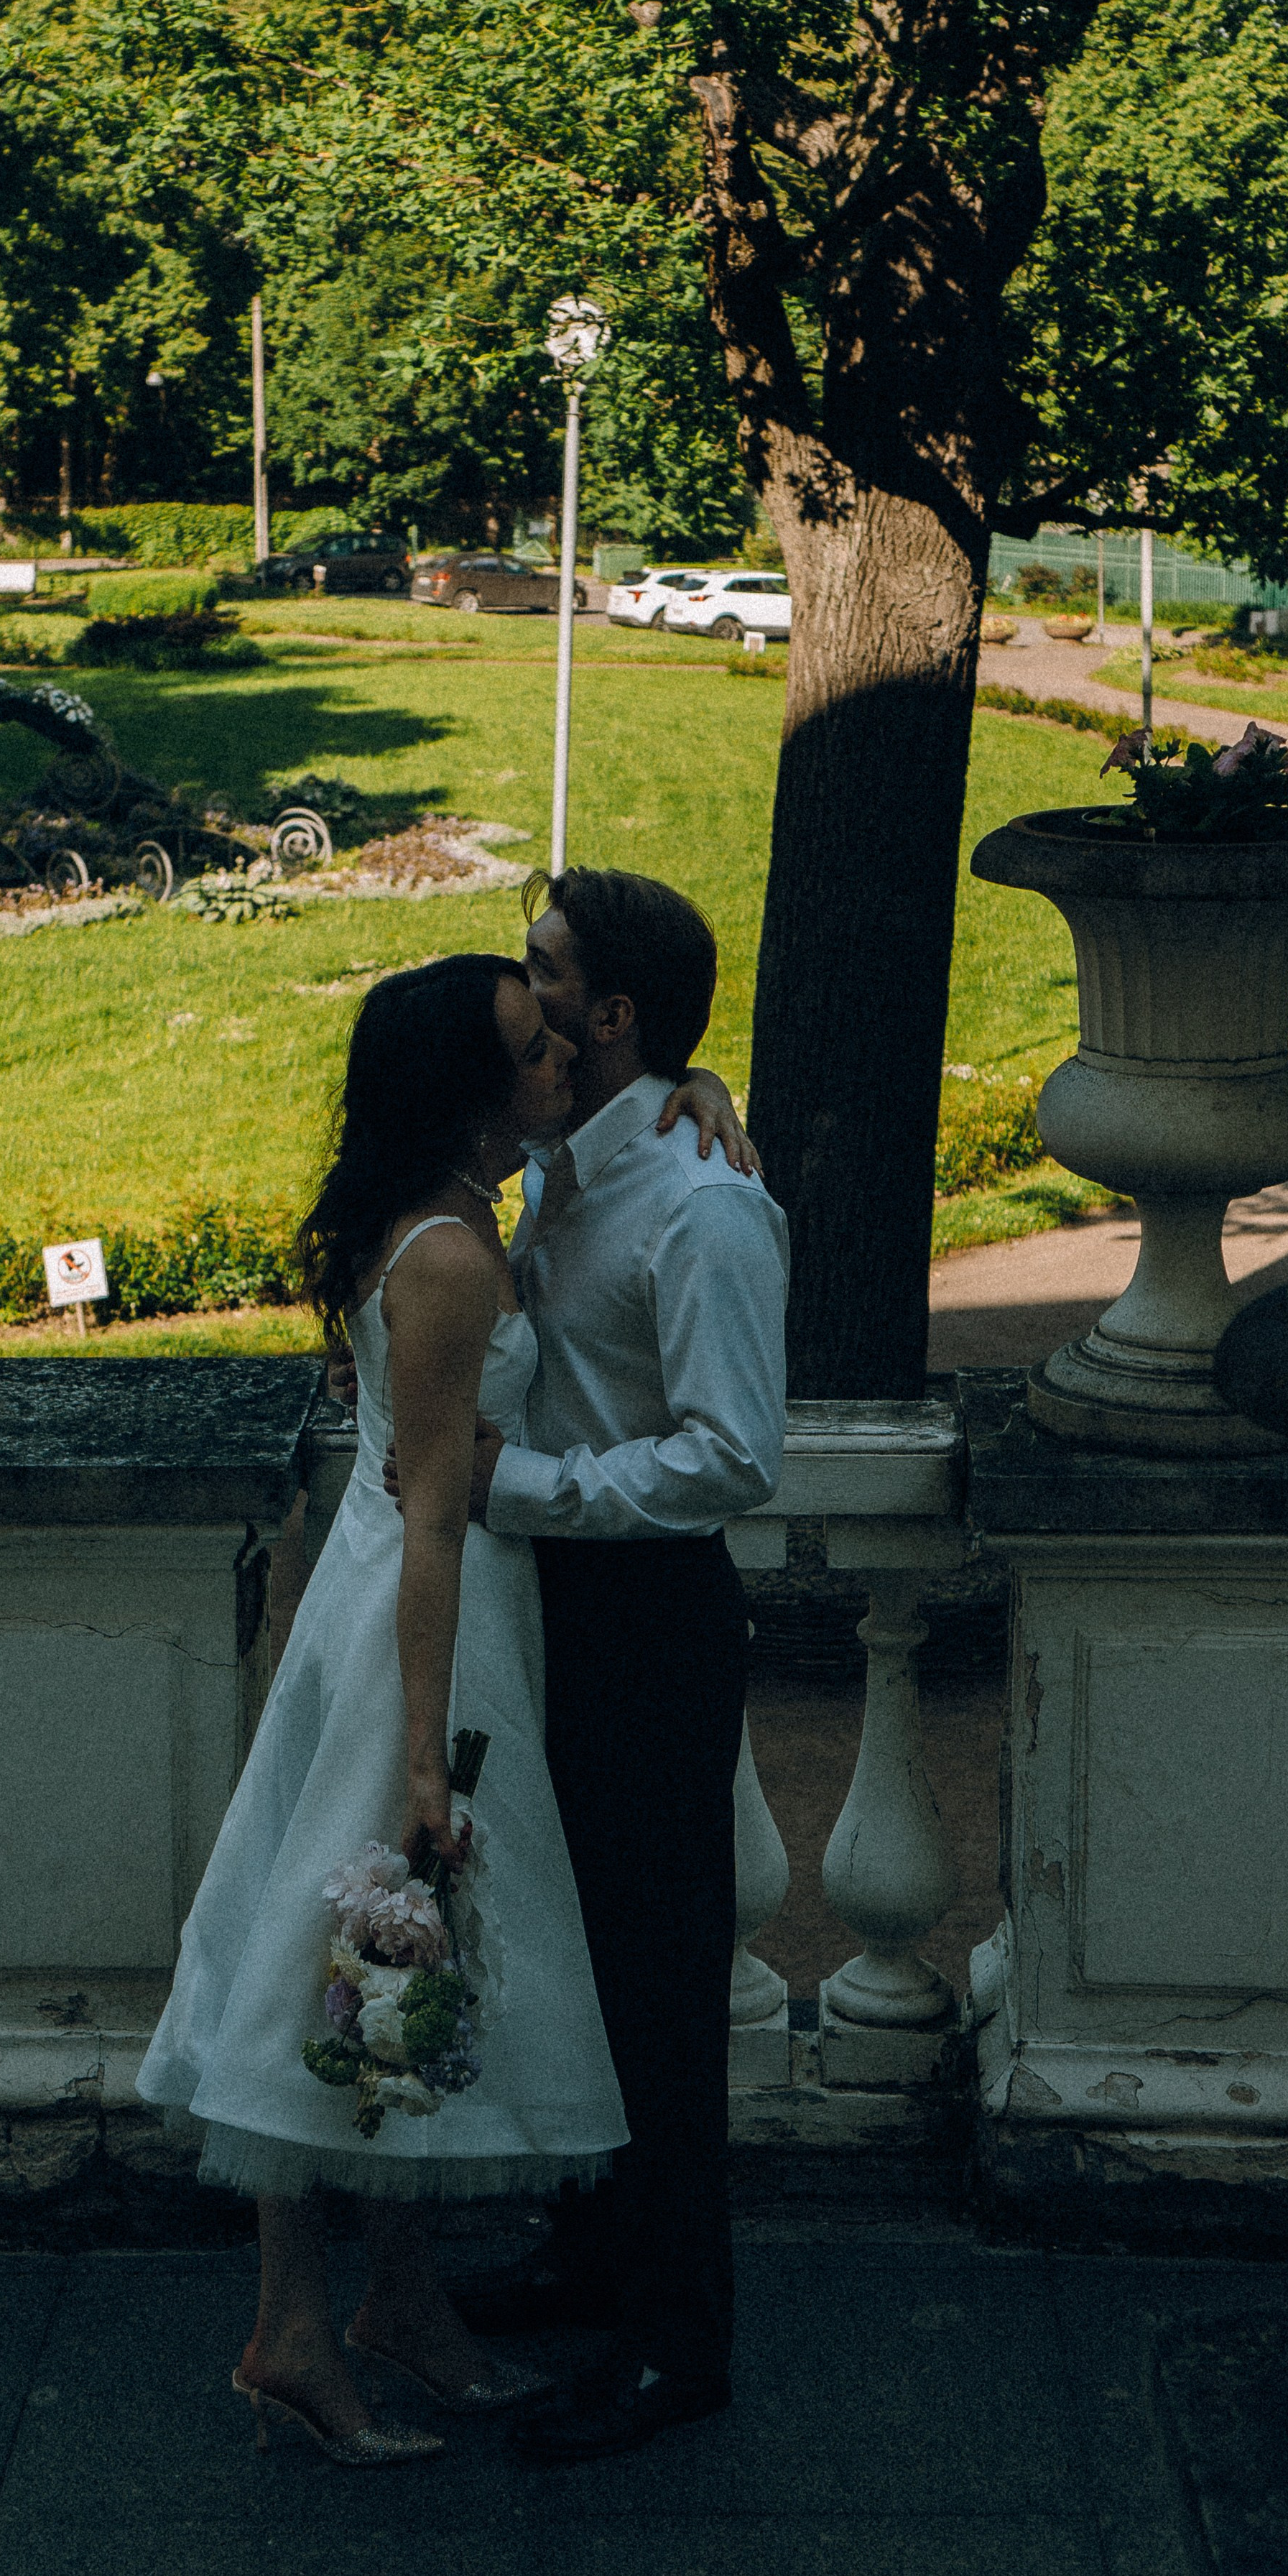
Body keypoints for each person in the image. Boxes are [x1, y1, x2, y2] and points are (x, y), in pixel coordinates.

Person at [136, 953, 629, 2466]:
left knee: (405, 1961)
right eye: (528, 1048)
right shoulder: (448, 1260)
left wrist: (702, 1096)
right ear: (462, 1093)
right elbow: (431, 1514)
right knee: (348, 1948)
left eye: (552, 1034)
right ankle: (292, 2327)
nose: (557, 1058)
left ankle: (398, 2305)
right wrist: (422, 1744)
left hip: (402, 1608)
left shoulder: (467, 1217)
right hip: (427, 1627)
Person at [450, 866, 789, 2466]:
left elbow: (733, 1458)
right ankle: (587, 2254)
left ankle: (675, 2342)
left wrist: (517, 1494)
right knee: (563, 1955)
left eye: (546, 968)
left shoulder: (702, 1205)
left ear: (615, 1013)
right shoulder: (571, 1162)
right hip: (550, 1611)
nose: (525, 990)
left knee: (655, 1991)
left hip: (645, 1619)